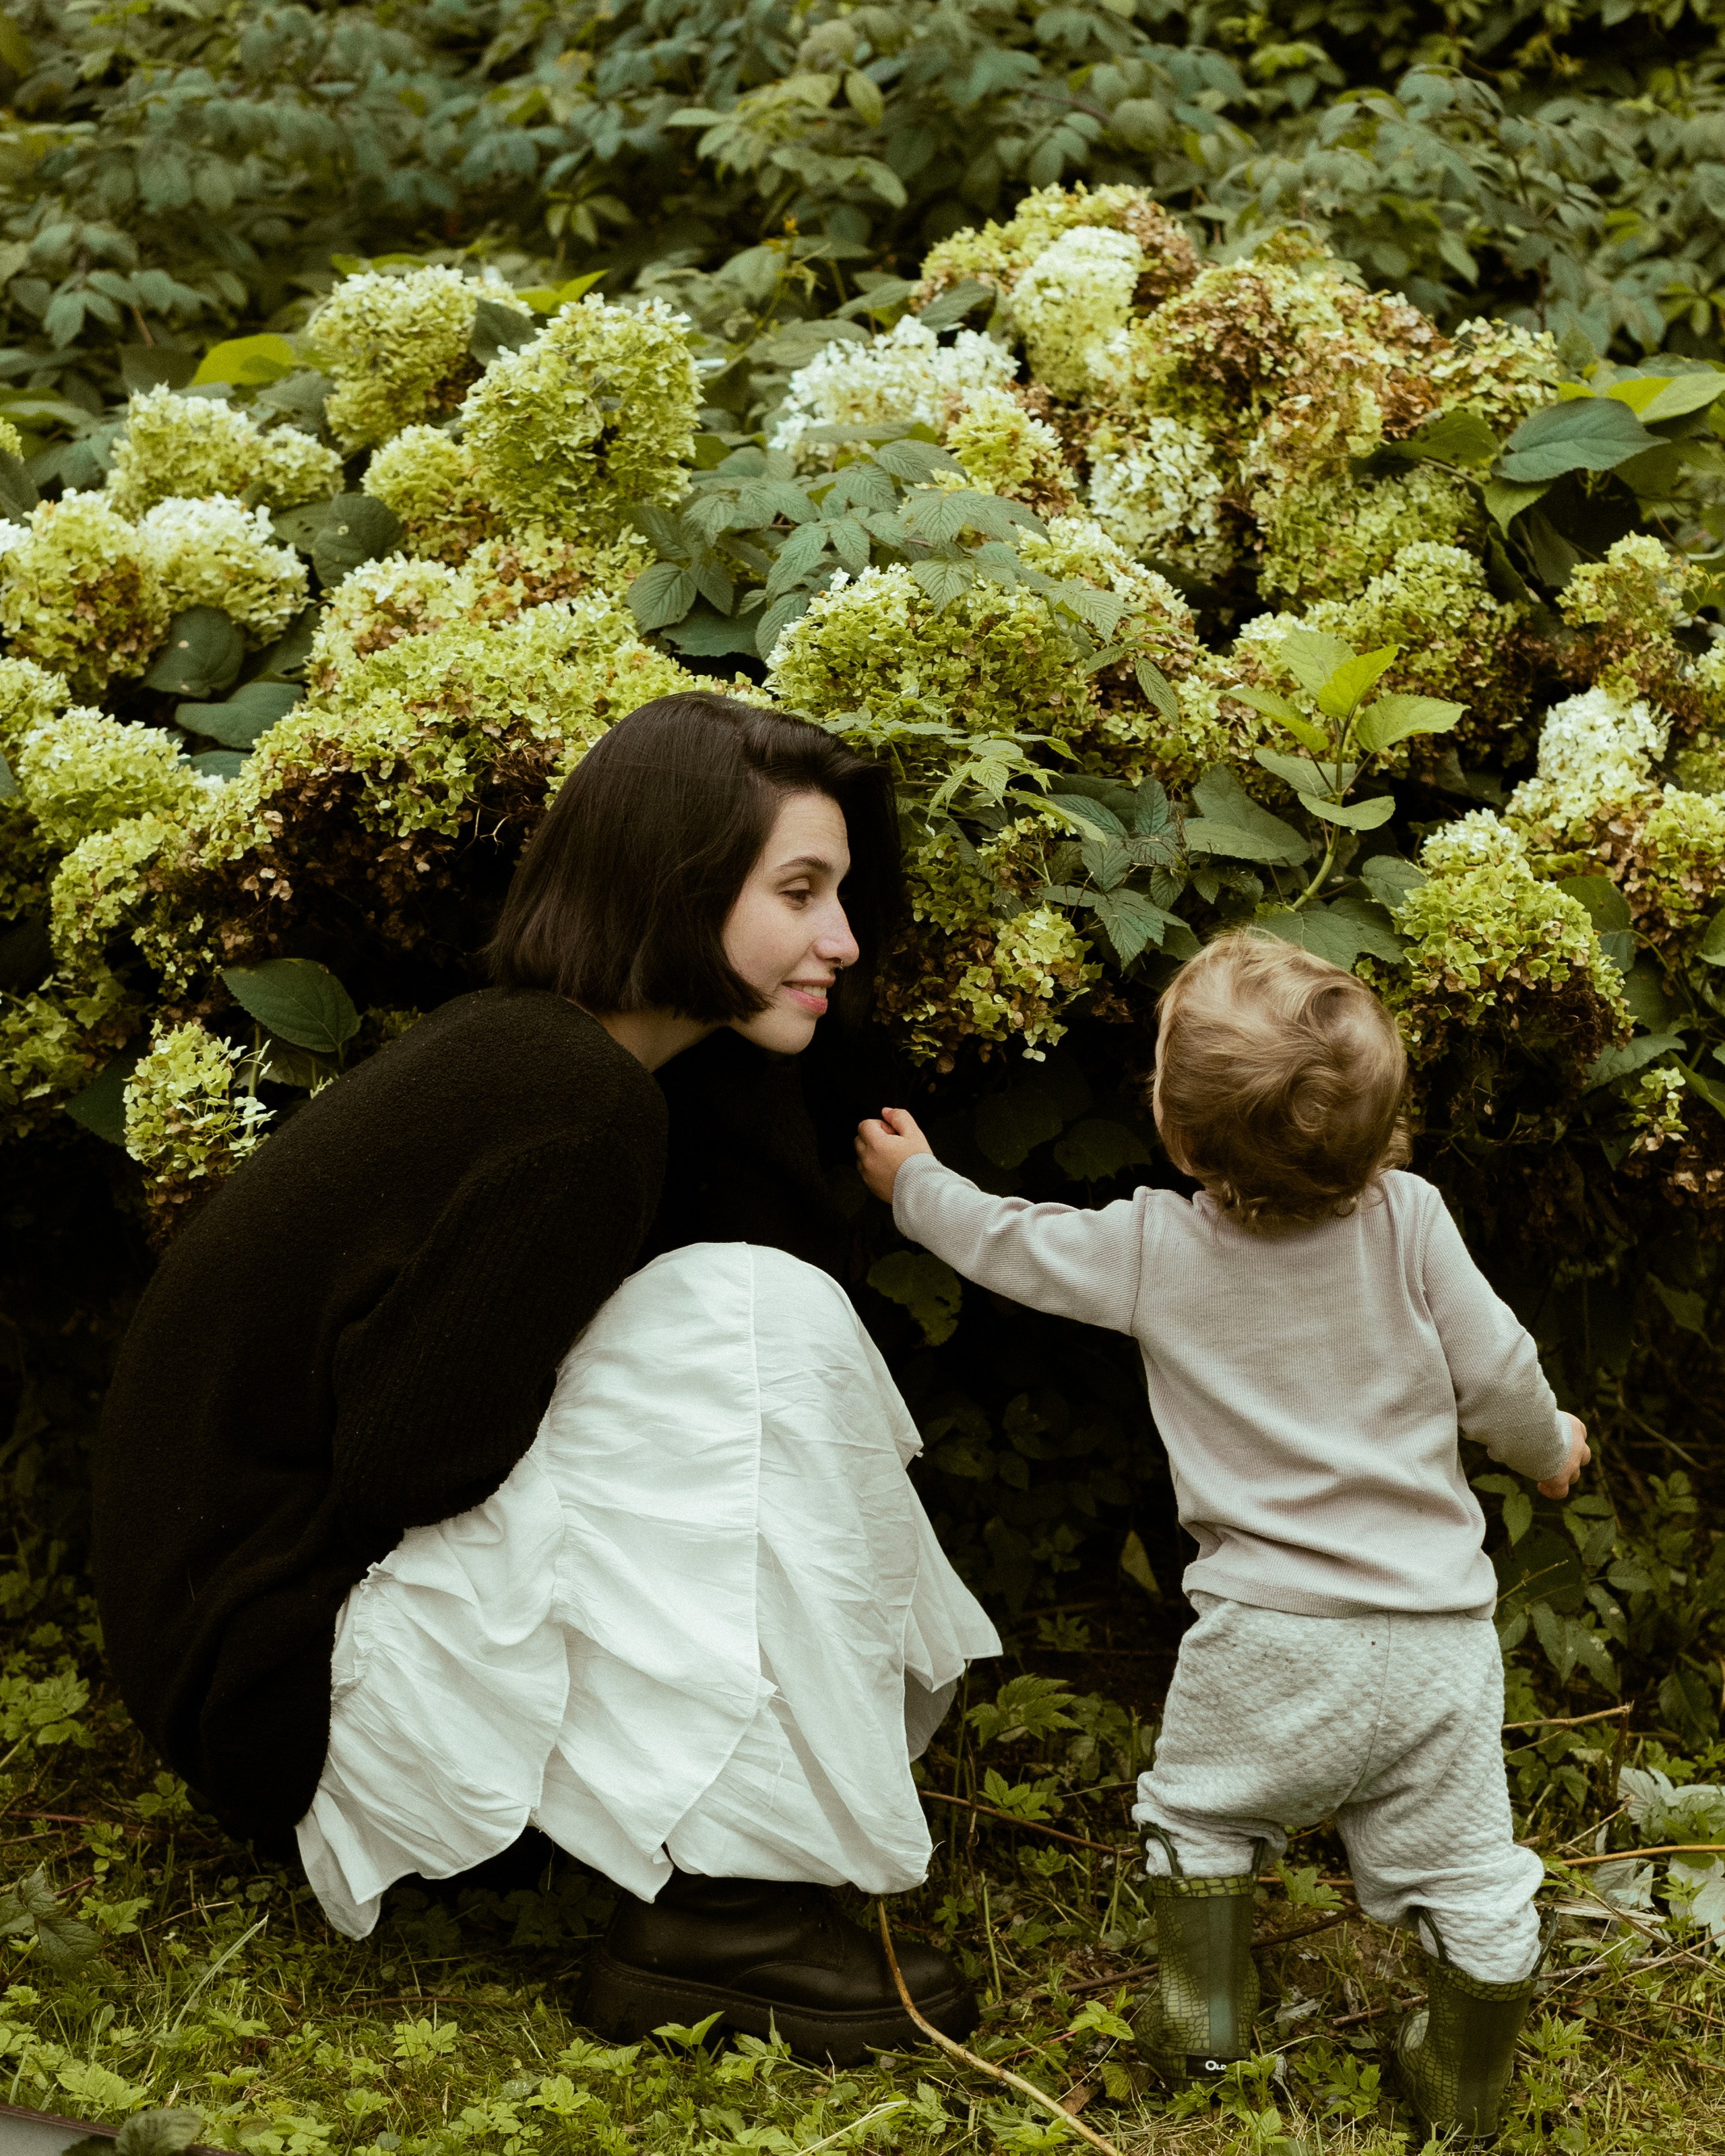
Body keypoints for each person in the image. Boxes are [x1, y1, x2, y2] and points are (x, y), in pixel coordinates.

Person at [93, 691, 999, 2065]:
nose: (841, 940)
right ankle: (720, 1919)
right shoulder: (571, 1106)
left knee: (743, 1312)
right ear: (678, 884)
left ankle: (719, 1855)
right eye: (799, 892)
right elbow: (409, 1466)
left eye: (842, 895)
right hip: (292, 1701)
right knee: (741, 1323)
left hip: (284, 1664)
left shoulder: (563, 1056)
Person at [855, 930, 1590, 2139]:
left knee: (1200, 1820)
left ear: (1181, 1132)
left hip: (1266, 1637)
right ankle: (1466, 2083)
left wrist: (913, 1182)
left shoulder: (1155, 1247)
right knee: (1468, 1868)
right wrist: (1549, 1445)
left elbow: (1008, 1243)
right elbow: (1500, 1371)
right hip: (1439, 1646)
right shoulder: (1411, 1220)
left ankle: (1202, 2033)